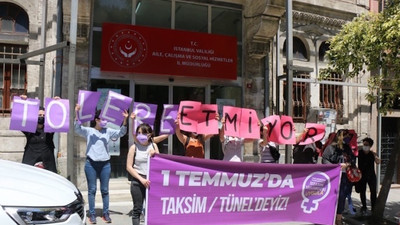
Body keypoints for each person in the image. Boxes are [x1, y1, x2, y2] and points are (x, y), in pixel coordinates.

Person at [74, 104, 129, 224]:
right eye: (102, 119)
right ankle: (92, 214)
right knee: (92, 190)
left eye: (106, 119)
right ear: (96, 120)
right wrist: (77, 113)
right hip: (91, 164)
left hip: (105, 164)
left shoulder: (108, 131)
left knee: (105, 190)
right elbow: (77, 129)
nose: (105, 121)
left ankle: (106, 213)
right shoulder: (89, 131)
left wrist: (125, 120)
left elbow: (121, 133)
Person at [126, 123, 159, 225]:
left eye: (143, 133)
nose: (140, 135)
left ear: (149, 134)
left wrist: (155, 154)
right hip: (137, 181)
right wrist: (141, 179)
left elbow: (160, 164)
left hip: (151, 181)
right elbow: (129, 167)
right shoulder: (134, 147)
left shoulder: (154, 146)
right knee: (137, 210)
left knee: (152, 210)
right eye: (138, 133)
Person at [322, 129, 356, 225]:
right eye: (346, 137)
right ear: (341, 137)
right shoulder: (331, 148)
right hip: (333, 177)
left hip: (345, 177)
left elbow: (352, 160)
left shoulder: (347, 148)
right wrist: (335, 167)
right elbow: (325, 160)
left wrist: (347, 164)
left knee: (342, 197)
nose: (348, 139)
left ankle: (339, 219)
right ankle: (329, 218)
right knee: (332, 197)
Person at [20, 95, 58, 173]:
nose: (42, 117)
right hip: (30, 161)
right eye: (39, 115)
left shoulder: (49, 130)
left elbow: (57, 118)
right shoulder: (29, 129)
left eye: (44, 115)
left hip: (48, 163)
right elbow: (20, 119)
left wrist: (56, 104)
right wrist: (23, 102)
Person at [357, 137, 380, 214]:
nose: (365, 146)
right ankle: (364, 206)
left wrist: (375, 156)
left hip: (371, 175)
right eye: (364, 144)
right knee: (362, 191)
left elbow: (378, 162)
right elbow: (355, 149)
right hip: (362, 175)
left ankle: (374, 207)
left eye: (366, 145)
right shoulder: (359, 153)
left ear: (370, 146)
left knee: (373, 192)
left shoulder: (372, 154)